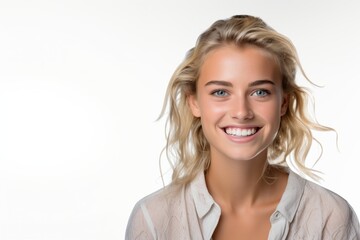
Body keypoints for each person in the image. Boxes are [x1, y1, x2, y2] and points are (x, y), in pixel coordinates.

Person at [125, 15, 360, 239]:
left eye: (260, 92)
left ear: (283, 103)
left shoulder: (331, 217)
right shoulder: (153, 219)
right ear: (194, 102)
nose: (241, 112)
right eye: (220, 92)